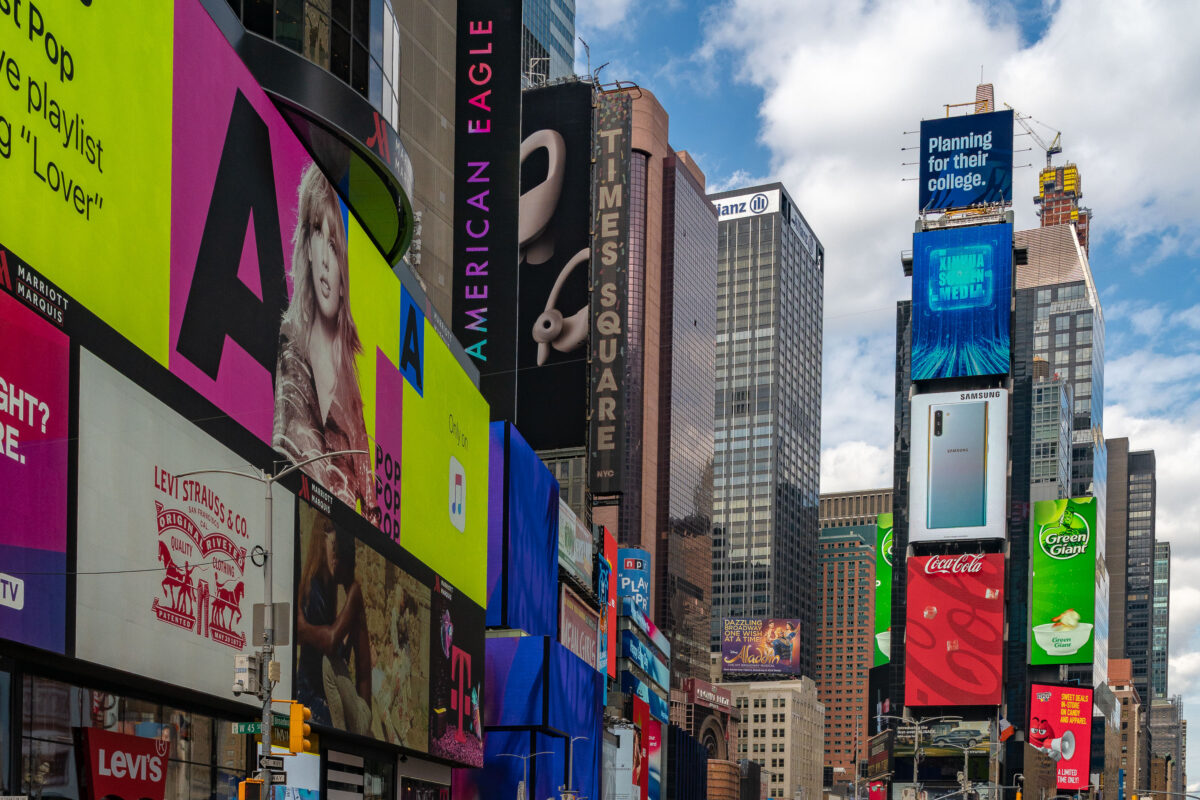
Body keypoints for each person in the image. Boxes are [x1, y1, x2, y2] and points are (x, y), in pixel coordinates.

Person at [273, 163, 378, 522]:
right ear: (305, 245)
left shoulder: (351, 374)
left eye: (333, 244)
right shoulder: (293, 346)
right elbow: (296, 465)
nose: (324, 261)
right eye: (315, 233)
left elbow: (373, 508)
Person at [295, 516, 372, 735]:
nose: (334, 558)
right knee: (330, 661)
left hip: (327, 703)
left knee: (330, 662)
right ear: (322, 544)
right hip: (312, 699)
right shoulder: (316, 590)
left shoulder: (349, 594)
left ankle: (344, 730)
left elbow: (330, 643)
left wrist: (302, 628)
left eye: (338, 551)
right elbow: (329, 644)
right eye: (332, 548)